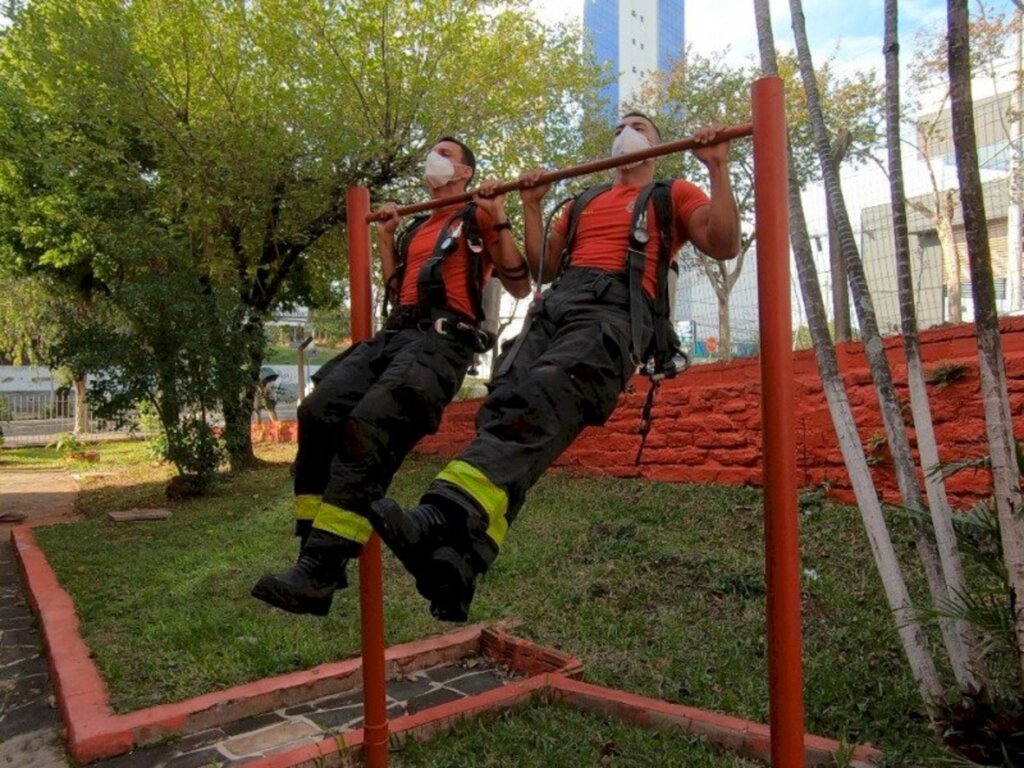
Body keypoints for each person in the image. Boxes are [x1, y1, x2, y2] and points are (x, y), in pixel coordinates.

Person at [367, 113, 741, 622]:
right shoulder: (582, 201)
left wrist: (717, 167)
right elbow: (543, 269)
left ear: (657, 148)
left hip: (611, 316)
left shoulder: (671, 194)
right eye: (620, 124)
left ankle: (438, 515)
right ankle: (459, 567)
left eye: (638, 126)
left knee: (541, 395)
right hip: (554, 309)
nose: (624, 130)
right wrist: (532, 206)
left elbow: (722, 243)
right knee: (504, 410)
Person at [251, 136, 532, 616]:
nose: (434, 159)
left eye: (446, 154)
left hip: (442, 342)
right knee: (318, 411)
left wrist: (499, 211)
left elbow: (520, 281)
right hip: (397, 335)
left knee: (370, 425)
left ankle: (321, 567)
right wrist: (386, 238)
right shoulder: (419, 226)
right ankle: (312, 554)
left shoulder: (476, 214)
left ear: (464, 173)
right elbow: (399, 287)